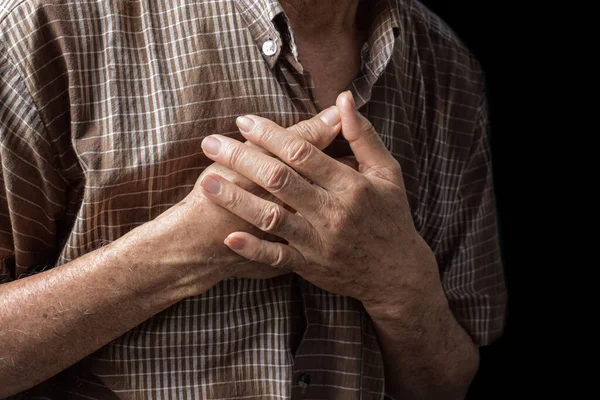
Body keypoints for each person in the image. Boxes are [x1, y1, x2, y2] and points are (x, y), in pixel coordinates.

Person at [0, 0, 507, 398]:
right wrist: (180, 252)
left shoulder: (449, 67)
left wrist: (398, 283)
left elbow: (447, 384)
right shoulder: (47, 23)